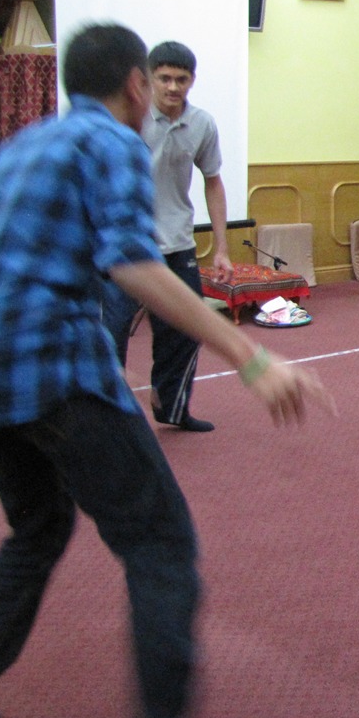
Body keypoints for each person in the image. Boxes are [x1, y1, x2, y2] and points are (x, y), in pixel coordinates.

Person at [0, 23, 332, 718]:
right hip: (59, 373)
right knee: (160, 545)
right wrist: (250, 355)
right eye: (155, 83)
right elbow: (132, 263)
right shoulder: (108, 141)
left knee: (37, 532)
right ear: (137, 86)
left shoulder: (19, 147)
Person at [102, 41, 233, 433]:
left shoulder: (202, 124)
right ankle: (110, 419)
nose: (173, 87)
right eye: (164, 78)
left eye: (181, 79)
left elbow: (213, 182)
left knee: (187, 328)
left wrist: (222, 247)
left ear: (191, 81)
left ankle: (171, 406)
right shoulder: (130, 119)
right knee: (111, 333)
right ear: (149, 78)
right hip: (126, 245)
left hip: (178, 243)